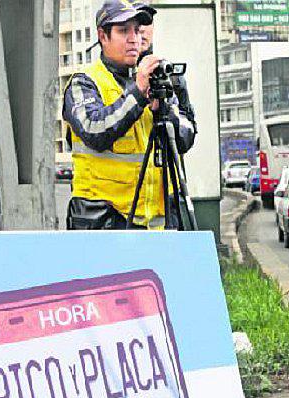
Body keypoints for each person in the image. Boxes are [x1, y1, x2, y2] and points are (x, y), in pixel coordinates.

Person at [62, 0, 195, 230]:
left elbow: (185, 138)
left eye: (137, 30)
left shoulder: (155, 81)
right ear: (103, 36)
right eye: (124, 31)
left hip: (155, 224)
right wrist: (138, 93)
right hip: (103, 222)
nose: (134, 38)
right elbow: (95, 131)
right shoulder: (84, 82)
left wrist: (162, 110)